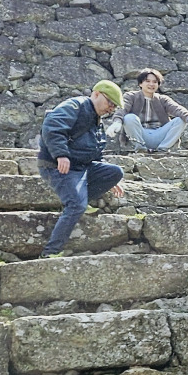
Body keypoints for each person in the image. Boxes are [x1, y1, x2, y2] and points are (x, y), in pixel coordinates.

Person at [37, 80, 126, 257]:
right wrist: (61, 154)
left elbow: (95, 151)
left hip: (81, 166)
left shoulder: (97, 120)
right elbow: (52, 126)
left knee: (115, 172)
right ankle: (50, 252)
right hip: (59, 166)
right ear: (96, 94)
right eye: (110, 103)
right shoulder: (75, 105)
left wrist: (108, 177)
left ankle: (80, 200)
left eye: (114, 107)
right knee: (77, 204)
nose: (110, 109)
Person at [120, 69, 188, 152]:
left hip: (159, 134)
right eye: (147, 81)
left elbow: (176, 108)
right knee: (129, 118)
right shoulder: (130, 96)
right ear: (140, 83)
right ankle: (140, 149)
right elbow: (122, 109)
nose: (151, 84)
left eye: (155, 82)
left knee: (181, 119)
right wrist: (117, 121)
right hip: (140, 134)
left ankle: (163, 149)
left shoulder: (162, 99)